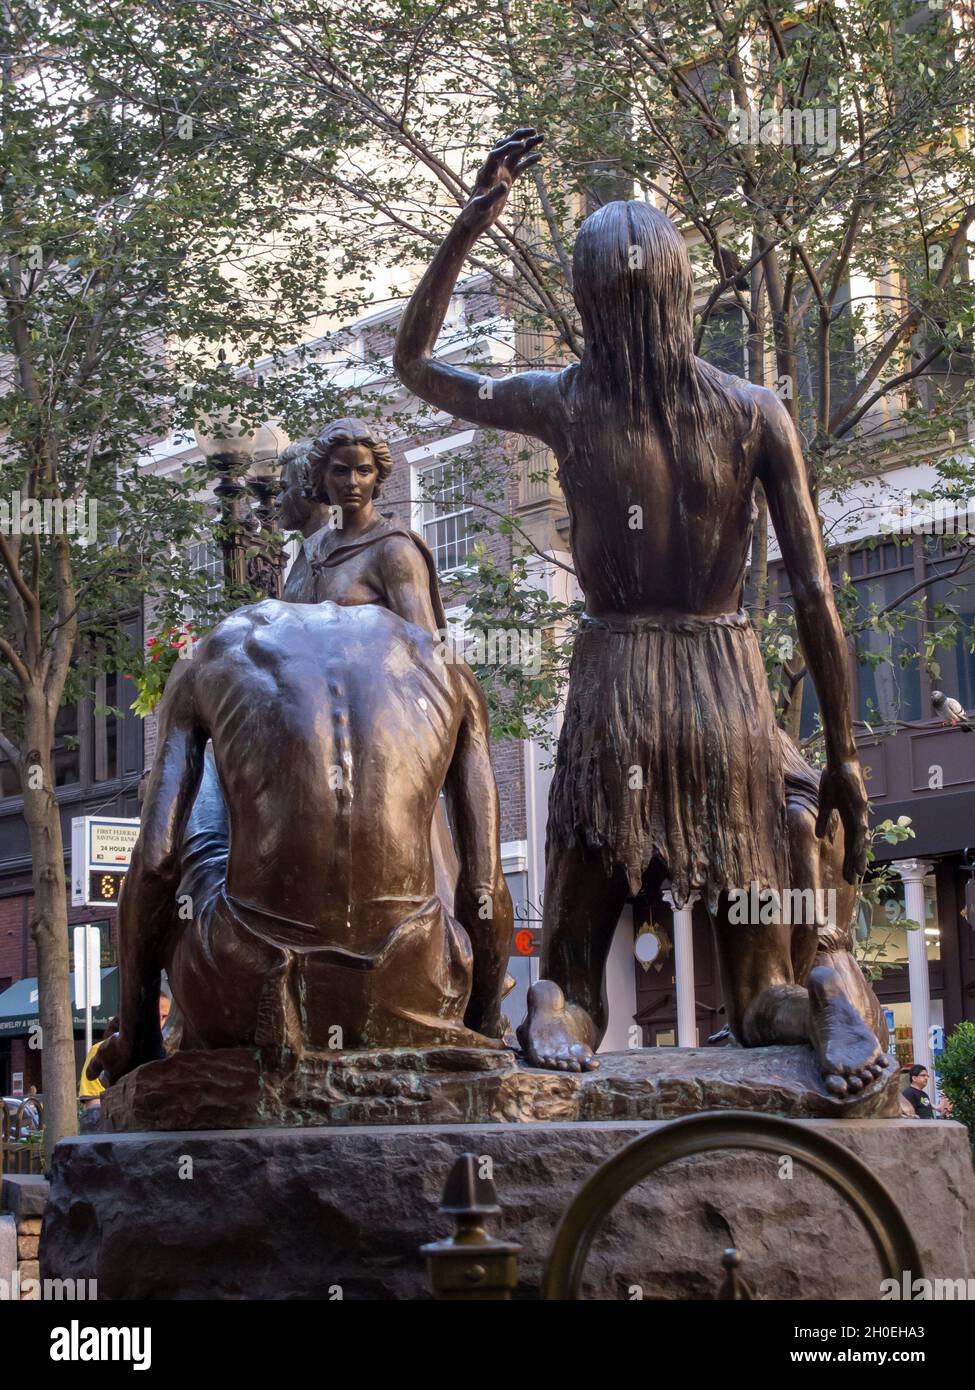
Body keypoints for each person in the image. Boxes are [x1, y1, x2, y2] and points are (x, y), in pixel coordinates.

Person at [394, 128, 885, 1094]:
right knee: (759, 993)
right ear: (680, 288)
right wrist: (843, 756)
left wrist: (472, 219)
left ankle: (549, 1005)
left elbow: (414, 365)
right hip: (724, 694)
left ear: (585, 299)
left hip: (617, 687)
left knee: (577, 973)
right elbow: (815, 592)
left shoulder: (557, 400)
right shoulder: (753, 409)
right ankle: (817, 983)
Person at [88, 598, 512, 1084]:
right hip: (416, 986)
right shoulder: (446, 664)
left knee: (200, 801)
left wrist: (138, 1037)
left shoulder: (211, 654)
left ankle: (150, 1033)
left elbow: (156, 865)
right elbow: (483, 887)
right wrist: (484, 1023)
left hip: (246, 988)